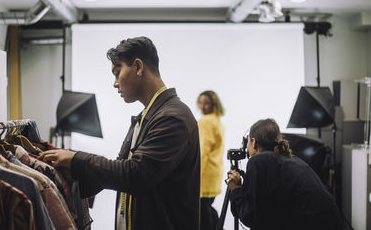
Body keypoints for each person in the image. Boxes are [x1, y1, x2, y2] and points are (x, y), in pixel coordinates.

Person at [39, 36, 201, 230]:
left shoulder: (173, 118)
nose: (115, 83)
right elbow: (120, 170)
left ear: (138, 67)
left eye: (117, 73)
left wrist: (76, 161)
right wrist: (70, 180)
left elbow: (136, 174)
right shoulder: (146, 116)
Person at [226, 118, 344, 230]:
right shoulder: (289, 160)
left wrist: (236, 189)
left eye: (248, 141)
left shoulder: (258, 161)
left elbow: (252, 217)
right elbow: (268, 212)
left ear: (254, 142)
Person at [196, 90, 225, 230]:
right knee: (206, 206)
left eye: (206, 103)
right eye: (200, 102)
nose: (202, 106)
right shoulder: (217, 121)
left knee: (201, 210)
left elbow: (202, 151)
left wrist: (194, 175)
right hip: (215, 171)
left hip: (205, 172)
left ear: (214, 104)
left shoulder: (206, 121)